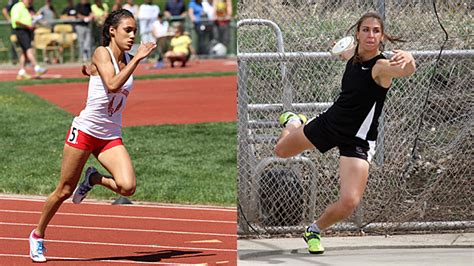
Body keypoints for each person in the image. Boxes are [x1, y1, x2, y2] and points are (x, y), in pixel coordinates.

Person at [274, 12, 416, 255]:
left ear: (382, 36)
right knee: (280, 151)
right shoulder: (354, 58)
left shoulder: (381, 66)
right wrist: (341, 50)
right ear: (358, 33)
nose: (371, 34)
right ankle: (294, 121)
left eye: (376, 31)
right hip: (330, 124)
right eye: (366, 29)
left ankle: (314, 231)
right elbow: (347, 53)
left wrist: (410, 58)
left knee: (350, 201)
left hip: (358, 139)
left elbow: (406, 71)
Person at [28, 9, 157, 263]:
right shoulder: (103, 52)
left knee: (128, 187)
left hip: (110, 135)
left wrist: (88, 70)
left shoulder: (122, 59)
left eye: (135, 31)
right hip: (86, 131)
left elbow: (97, 72)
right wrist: (137, 59)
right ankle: (37, 235)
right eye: (127, 30)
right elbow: (112, 84)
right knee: (64, 190)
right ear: (112, 31)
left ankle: (94, 178)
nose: (132, 36)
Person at [10, 0, 47, 80]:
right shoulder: (17, 7)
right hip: (21, 31)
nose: (30, 2)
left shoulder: (26, 8)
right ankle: (37, 68)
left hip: (26, 31)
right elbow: (16, 20)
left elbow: (28, 19)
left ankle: (21, 72)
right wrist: (28, 26)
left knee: (24, 52)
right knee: (29, 50)